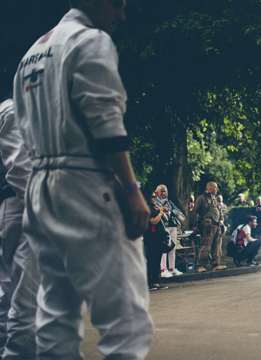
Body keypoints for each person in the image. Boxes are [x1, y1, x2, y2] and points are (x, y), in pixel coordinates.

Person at [12, 1, 153, 358]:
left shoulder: (31, 54)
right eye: (117, 4)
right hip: (86, 181)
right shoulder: (90, 41)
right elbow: (106, 123)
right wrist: (133, 190)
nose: (121, 15)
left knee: (56, 312)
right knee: (126, 319)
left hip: (40, 187)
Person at [0, 95, 39, 358]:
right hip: (22, 206)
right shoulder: (14, 109)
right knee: (21, 297)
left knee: (16, 294)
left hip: (24, 205)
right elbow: (19, 168)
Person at [194, 181, 227, 272]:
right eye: (215, 187)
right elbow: (195, 212)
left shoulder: (215, 199)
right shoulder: (201, 198)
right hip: (207, 225)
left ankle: (215, 264)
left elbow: (219, 211)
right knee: (205, 246)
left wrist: (221, 220)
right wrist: (196, 225)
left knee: (217, 246)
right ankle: (200, 265)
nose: (216, 189)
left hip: (217, 225)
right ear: (209, 188)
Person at [153, 184, 183, 278]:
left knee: (172, 247)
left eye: (165, 190)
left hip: (172, 226)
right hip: (163, 227)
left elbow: (178, 212)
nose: (164, 192)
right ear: (156, 192)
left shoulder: (169, 202)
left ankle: (172, 268)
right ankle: (163, 269)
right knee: (164, 248)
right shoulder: (154, 202)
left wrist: (180, 217)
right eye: (161, 190)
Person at [143, 194, 168, 291]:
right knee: (151, 260)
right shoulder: (147, 208)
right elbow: (153, 221)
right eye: (152, 197)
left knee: (157, 260)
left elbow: (165, 219)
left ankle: (156, 281)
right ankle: (150, 282)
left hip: (158, 237)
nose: (154, 199)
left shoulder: (156, 207)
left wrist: (162, 211)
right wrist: (160, 213)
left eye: (155, 197)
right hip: (151, 237)